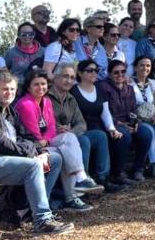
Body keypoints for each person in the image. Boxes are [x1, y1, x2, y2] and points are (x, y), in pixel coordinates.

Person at [0, 71, 72, 233]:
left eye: (12, 89)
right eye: (5, 89)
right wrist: (29, 154)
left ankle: (30, 210)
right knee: (33, 166)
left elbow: (26, 136)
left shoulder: (10, 111)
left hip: (8, 161)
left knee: (54, 159)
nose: (9, 93)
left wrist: (41, 151)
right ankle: (42, 220)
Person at [14, 70, 98, 212]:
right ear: (28, 87)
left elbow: (52, 127)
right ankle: (75, 188)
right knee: (63, 151)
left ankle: (75, 189)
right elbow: (33, 131)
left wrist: (45, 140)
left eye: (43, 84)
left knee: (69, 139)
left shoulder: (46, 101)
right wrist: (43, 141)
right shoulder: (26, 104)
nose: (40, 87)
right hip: (30, 146)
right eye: (36, 85)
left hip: (44, 143)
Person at [50, 62, 122, 193]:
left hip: (71, 134)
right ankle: (82, 180)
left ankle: (102, 178)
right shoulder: (47, 97)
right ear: (55, 77)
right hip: (54, 137)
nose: (69, 80)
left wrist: (71, 131)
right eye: (65, 76)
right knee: (83, 141)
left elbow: (81, 123)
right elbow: (45, 122)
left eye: (71, 78)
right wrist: (60, 129)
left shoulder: (70, 98)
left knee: (100, 136)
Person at [78, 59, 150, 185]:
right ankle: (118, 172)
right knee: (124, 135)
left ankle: (138, 169)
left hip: (128, 122)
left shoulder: (129, 88)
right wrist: (119, 124)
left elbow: (133, 110)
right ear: (110, 74)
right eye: (116, 73)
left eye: (123, 72)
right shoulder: (103, 87)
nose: (120, 75)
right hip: (113, 123)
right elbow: (105, 113)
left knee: (146, 132)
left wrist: (136, 121)